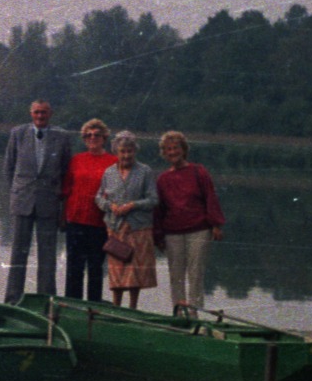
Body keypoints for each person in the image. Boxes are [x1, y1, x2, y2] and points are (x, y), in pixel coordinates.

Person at [2, 99, 72, 304]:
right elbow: (8, 168)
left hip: (48, 202)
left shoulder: (62, 136)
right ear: (30, 113)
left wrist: (60, 200)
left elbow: (66, 171)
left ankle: (46, 300)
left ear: (50, 114)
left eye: (44, 113)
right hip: (22, 200)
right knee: (18, 253)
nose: (40, 116)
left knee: (48, 255)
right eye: (36, 113)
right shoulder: (18, 133)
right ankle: (12, 299)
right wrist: (15, 193)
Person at [152, 130, 224, 319]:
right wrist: (158, 236)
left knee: (195, 275)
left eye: (176, 148)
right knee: (176, 276)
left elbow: (210, 197)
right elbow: (159, 210)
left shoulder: (198, 171)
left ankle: (194, 315)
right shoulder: (162, 179)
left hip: (199, 230)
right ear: (164, 153)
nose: (172, 152)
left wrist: (216, 224)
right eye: (168, 149)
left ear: (184, 150)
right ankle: (179, 316)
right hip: (172, 233)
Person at [94, 130, 157, 309]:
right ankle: (116, 308)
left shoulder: (145, 171)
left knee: (134, 273)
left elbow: (153, 200)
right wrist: (109, 206)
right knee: (116, 271)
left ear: (135, 151)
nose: (126, 155)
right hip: (115, 228)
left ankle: (132, 308)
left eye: (130, 151)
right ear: (116, 152)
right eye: (123, 151)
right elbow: (99, 198)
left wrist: (133, 205)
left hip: (138, 228)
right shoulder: (109, 173)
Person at [62, 119, 118, 301]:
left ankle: (93, 307)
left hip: (100, 223)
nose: (92, 138)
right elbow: (66, 188)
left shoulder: (113, 162)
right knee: (74, 268)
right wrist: (63, 215)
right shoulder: (76, 159)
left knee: (95, 268)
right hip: (75, 220)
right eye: (88, 135)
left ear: (104, 138)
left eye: (96, 135)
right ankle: (71, 306)